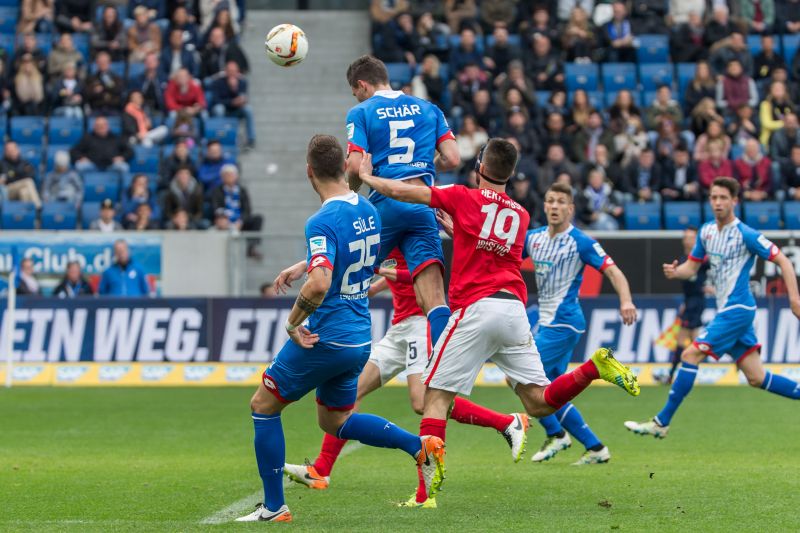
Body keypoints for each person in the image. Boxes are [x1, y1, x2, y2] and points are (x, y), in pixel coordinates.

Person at [358, 138, 640, 502]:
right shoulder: (521, 216)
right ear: (510, 175)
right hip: (513, 310)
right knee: (539, 403)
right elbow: (489, 245)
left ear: (479, 167)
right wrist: (457, 229)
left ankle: (425, 494)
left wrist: (369, 176)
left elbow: (405, 192)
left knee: (435, 400)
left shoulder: (464, 196)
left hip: (475, 308)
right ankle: (594, 368)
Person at [235, 135, 444, 523]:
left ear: (309, 171)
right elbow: (355, 256)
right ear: (344, 167)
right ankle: (420, 447)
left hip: (326, 336)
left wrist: (292, 322)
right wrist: (306, 263)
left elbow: (319, 283)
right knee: (334, 421)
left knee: (263, 407)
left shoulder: (321, 220)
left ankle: (274, 507)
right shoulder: (366, 208)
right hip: (359, 337)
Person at [280, 249, 529, 507]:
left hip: (420, 326)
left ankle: (504, 424)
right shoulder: (391, 224)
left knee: (423, 402)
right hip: (399, 328)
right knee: (350, 393)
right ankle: (321, 470)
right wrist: (378, 286)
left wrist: (391, 273)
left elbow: (431, 277)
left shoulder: (414, 223)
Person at [625, 177, 800, 438]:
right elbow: (692, 267)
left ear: (735, 201)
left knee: (689, 355)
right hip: (727, 311)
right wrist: (676, 271)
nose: (718, 202)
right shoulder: (706, 232)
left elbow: (784, 261)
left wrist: (794, 299)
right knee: (756, 377)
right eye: (714, 197)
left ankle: (661, 422)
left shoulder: (746, 235)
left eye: (723, 198)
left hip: (737, 309)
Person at [344, 55, 460, 350]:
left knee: (347, 279)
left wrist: (350, 192)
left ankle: (332, 348)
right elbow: (453, 158)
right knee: (434, 300)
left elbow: (355, 167)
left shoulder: (361, 112)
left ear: (362, 85)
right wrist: (424, 167)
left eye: (355, 91)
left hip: (385, 204)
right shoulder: (429, 109)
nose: (356, 96)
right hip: (422, 205)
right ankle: (441, 369)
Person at [525, 182, 638, 464]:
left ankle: (556, 434)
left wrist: (626, 300)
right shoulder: (533, 238)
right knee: (550, 390)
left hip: (564, 324)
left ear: (571, 209)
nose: (554, 206)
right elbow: (499, 251)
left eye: (561, 202)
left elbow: (614, 272)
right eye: (550, 201)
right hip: (549, 322)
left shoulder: (581, 242)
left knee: (520, 375)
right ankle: (596, 447)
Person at [656, 227, 708, 385]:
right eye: (686, 237)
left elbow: (714, 266)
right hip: (690, 302)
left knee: (683, 339)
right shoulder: (684, 259)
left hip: (696, 302)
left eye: (691, 237)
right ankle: (691, 373)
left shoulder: (701, 259)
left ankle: (672, 375)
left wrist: (707, 287)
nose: (688, 240)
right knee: (696, 341)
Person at [209, 164, 263, 256]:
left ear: (236, 176)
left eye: (231, 175)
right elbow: (216, 207)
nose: (229, 177)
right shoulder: (217, 191)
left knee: (258, 218)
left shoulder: (242, 190)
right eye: (227, 175)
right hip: (223, 220)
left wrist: (241, 221)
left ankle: (251, 247)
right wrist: (224, 219)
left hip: (239, 222)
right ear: (222, 177)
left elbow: (247, 209)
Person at [211, 61, 255, 148]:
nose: (232, 73)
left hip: (237, 110)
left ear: (237, 72)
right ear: (226, 71)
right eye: (230, 71)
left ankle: (251, 139)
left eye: (234, 71)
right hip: (224, 110)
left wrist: (234, 89)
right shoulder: (218, 82)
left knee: (248, 109)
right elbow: (215, 100)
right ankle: (220, 137)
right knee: (219, 108)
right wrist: (231, 102)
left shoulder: (242, 82)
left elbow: (243, 98)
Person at [0, 142, 41, 208]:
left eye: (13, 150)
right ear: (5, 152)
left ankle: (25, 215)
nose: (11, 152)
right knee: (28, 181)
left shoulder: (24, 162)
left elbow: (32, 174)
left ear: (18, 150)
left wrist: (15, 176)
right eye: (9, 150)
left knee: (24, 192)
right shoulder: (2, 164)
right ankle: (38, 206)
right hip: (8, 190)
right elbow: (6, 178)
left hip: (20, 188)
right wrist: (20, 175)